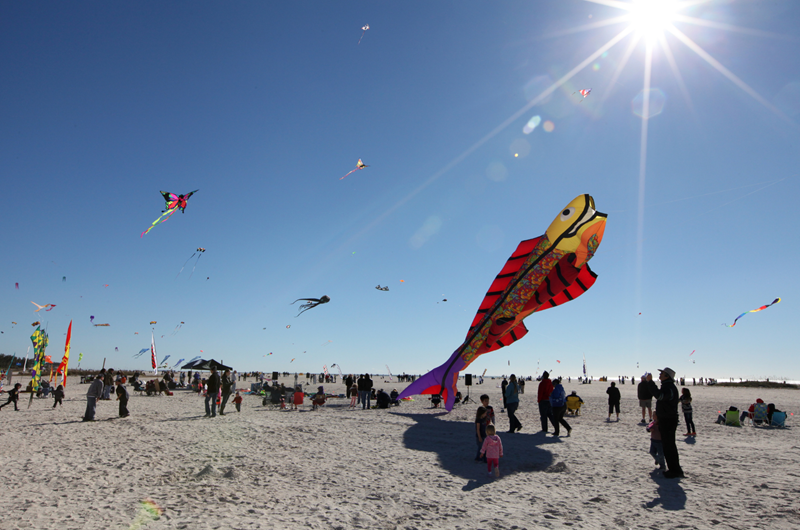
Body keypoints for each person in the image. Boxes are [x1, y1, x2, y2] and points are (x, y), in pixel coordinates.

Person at [646, 368, 684, 478]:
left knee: (669, 446)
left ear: (667, 376)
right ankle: (674, 469)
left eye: (662, 373)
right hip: (666, 418)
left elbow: (659, 396)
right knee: (668, 445)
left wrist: (650, 382)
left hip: (668, 419)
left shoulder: (669, 387)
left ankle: (675, 470)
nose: (660, 374)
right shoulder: (668, 387)